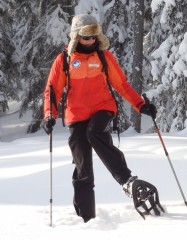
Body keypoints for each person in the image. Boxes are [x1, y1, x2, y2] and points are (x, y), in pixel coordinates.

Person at [42, 14, 159, 223]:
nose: (90, 41)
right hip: (76, 115)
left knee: (94, 132)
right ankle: (87, 219)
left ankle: (126, 180)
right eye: (86, 37)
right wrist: (49, 115)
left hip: (103, 108)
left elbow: (121, 85)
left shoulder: (104, 57)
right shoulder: (65, 60)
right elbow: (52, 91)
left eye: (93, 36)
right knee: (83, 168)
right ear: (76, 37)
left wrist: (140, 104)